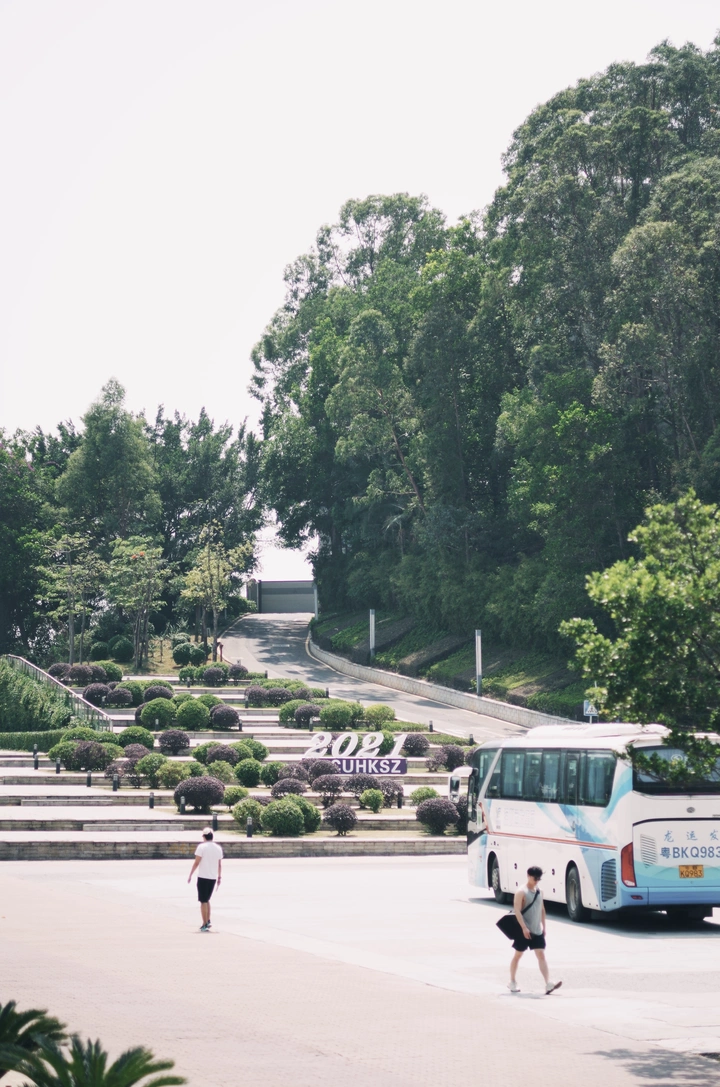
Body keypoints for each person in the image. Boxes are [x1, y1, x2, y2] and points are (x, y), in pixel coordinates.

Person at [507, 866, 562, 994]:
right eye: (535, 878)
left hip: (537, 930)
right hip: (523, 931)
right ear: (528, 876)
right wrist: (524, 928)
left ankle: (548, 983)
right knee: (518, 955)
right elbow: (517, 911)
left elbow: (542, 909)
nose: (536, 881)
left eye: (538, 879)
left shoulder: (539, 891)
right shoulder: (521, 892)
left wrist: (544, 927)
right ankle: (512, 981)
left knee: (541, 955)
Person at [187, 828, 223, 932]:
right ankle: (208, 920)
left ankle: (205, 923)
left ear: (204, 836)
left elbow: (196, 862)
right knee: (207, 899)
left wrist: (190, 874)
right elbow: (219, 864)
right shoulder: (218, 848)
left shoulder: (201, 847)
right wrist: (219, 877)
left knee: (203, 901)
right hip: (213, 877)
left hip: (203, 877)